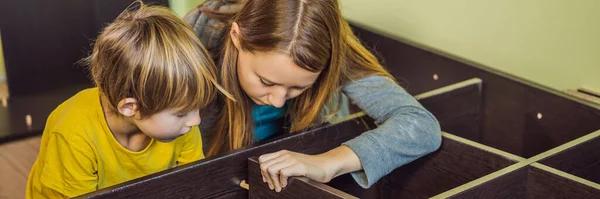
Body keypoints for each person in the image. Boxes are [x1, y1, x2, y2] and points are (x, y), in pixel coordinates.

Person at [185, 0, 442, 192]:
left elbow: (420, 125)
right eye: (265, 81)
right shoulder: (195, 37)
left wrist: (328, 163)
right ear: (236, 37)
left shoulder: (331, 49)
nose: (277, 101)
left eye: (298, 88)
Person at [26, 2, 227, 198]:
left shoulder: (182, 126)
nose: (196, 121)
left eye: (197, 108)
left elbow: (193, 184)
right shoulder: (73, 135)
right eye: (182, 113)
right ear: (131, 107)